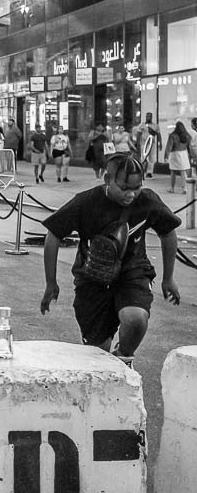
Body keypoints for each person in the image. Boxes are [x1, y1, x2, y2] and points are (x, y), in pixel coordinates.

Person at [40, 154, 180, 366]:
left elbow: (168, 233)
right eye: (123, 188)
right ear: (107, 179)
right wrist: (51, 282)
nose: (131, 194)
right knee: (98, 356)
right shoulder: (85, 202)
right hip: (92, 277)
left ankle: (123, 357)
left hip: (133, 272)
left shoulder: (148, 201)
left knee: (136, 319)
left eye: (136, 187)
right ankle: (107, 362)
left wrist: (168, 278)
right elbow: (53, 236)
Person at [164, 121, 192, 193]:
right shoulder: (187, 135)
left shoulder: (173, 135)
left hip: (175, 154)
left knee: (173, 172)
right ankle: (185, 188)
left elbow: (169, 146)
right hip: (184, 154)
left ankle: (172, 188)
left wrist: (166, 156)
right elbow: (189, 147)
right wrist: (190, 156)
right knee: (183, 172)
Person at [133, 113, 160, 178]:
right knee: (143, 157)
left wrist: (160, 143)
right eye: (147, 116)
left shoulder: (155, 125)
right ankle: (141, 170)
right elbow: (138, 134)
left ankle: (149, 172)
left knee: (152, 158)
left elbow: (158, 134)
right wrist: (137, 143)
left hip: (152, 143)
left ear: (151, 117)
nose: (148, 117)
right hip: (144, 143)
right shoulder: (142, 125)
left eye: (149, 116)